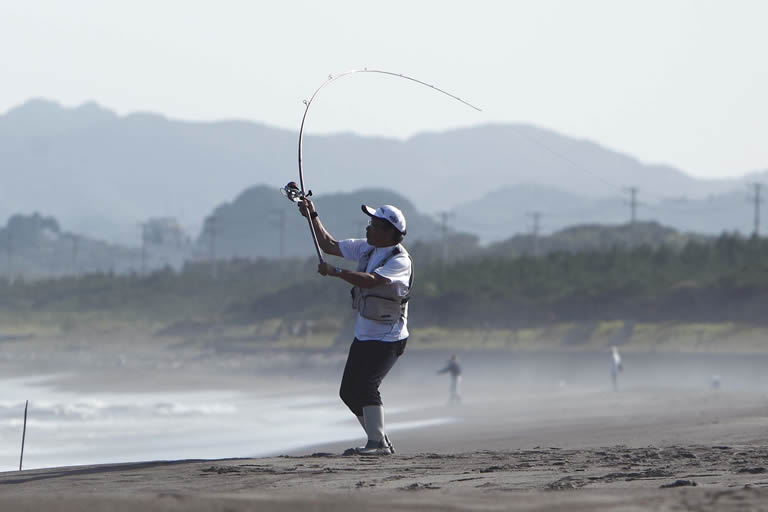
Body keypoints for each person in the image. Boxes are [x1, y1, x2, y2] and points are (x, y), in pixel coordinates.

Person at [298, 198, 412, 456]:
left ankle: (377, 443)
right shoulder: (366, 248)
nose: (368, 228)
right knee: (349, 392)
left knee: (367, 386)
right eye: (370, 223)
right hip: (364, 334)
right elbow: (328, 245)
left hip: (389, 337)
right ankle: (379, 439)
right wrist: (311, 215)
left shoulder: (400, 260)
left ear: (389, 232)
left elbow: (371, 280)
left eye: (374, 225)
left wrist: (336, 272)